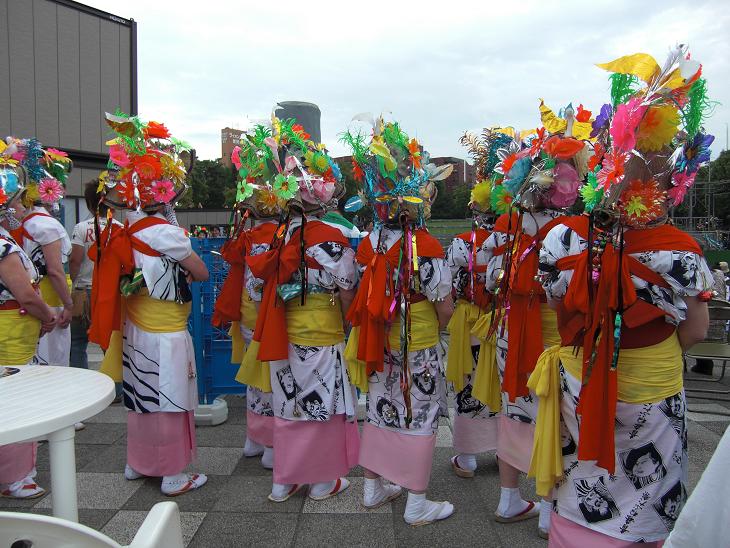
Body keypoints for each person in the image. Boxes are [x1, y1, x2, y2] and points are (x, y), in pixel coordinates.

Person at [533, 46, 713, 547]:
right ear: (669, 177)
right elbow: (695, 332)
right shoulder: (682, 251)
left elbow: (558, 307)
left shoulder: (560, 237)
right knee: (645, 488)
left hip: (579, 372)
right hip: (651, 383)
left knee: (581, 475)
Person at [89, 112, 209, 496]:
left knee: (140, 398)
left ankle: (137, 464)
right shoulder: (167, 234)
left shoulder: (124, 229)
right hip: (167, 332)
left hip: (136, 328)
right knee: (172, 400)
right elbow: (202, 271)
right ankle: (173, 474)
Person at [481, 110, 588, 539]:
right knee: (554, 418)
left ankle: (509, 498)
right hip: (552, 334)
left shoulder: (506, 225)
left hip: (513, 329)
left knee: (514, 411)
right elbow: (570, 290)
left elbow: (489, 277)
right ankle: (548, 508)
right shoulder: (572, 232)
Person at [343, 116, 456, 525]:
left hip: (377, 341)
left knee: (379, 410)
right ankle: (416, 501)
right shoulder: (424, 245)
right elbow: (443, 305)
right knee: (419, 415)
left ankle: (373, 488)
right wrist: (441, 328)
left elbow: (355, 291)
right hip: (418, 345)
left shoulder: (369, 242)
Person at [245, 117, 359, 503]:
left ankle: (284, 480)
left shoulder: (277, 235)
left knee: (288, 403)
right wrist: (345, 323)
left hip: (281, 331)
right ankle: (322, 481)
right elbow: (347, 289)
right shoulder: (331, 239)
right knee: (320, 404)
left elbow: (258, 287)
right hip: (320, 332)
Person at [212, 158, 281, 469]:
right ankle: (270, 445)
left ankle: (253, 439)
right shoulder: (280, 238)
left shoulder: (247, 237)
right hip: (267, 316)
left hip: (245, 315)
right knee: (271, 380)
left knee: (253, 382)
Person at [446, 132, 503, 478]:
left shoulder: (460, 244)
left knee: (467, 382)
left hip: (468, 320)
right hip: (498, 320)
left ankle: (467, 457)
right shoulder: (509, 242)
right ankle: (502, 452)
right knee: (497, 380)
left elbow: (452, 285)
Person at [0, 149, 56, 498]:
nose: (22, 208)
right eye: (19, 202)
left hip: (11, 326)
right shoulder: (3, 248)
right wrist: (47, 314)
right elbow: (26, 295)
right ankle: (16, 476)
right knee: (17, 398)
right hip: (12, 330)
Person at [10, 138, 73, 367]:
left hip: (28, 299)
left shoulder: (22, 222)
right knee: (53, 363)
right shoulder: (47, 225)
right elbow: (55, 271)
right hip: (51, 301)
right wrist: (69, 304)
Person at [69, 180, 123, 407]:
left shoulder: (82, 228)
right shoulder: (118, 227)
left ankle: (83, 389)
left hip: (83, 290)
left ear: (90, 204)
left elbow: (75, 259)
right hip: (110, 291)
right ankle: (117, 388)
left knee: (77, 342)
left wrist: (72, 282)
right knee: (109, 340)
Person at [692, 261, 728, 374]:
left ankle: (701, 364)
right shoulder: (720, 275)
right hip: (720, 331)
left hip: (698, 333)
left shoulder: (695, 273)